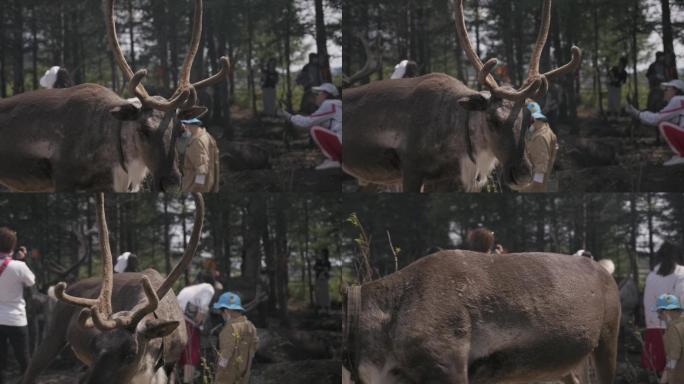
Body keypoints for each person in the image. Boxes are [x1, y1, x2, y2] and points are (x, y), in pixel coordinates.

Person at [642, 243, 684, 375]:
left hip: (654, 327)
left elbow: (647, 302)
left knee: (657, 371)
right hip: (677, 329)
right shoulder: (681, 273)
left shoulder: (652, 275)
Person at [278, 83, 342, 170]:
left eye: (318, 93)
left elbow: (307, 122)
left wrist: (289, 116)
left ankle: (334, 160)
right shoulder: (336, 105)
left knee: (315, 130)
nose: (315, 96)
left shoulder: (329, 105)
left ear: (325, 94)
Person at [0, 228, 35, 384]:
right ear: (13, 247)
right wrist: (20, 260)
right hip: (16, 319)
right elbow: (31, 281)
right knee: (24, 359)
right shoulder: (18, 266)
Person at [626, 79, 684, 166]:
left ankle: (681, 156)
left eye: (667, 89)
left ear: (675, 90)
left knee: (663, 125)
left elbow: (657, 119)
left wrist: (637, 113)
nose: (664, 92)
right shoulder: (680, 101)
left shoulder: (677, 100)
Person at [176, 276, 216, 384]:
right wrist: (201, 324)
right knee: (191, 353)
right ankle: (187, 381)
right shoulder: (209, 288)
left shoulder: (186, 289)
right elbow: (201, 312)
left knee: (180, 352)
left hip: (176, 320)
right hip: (189, 323)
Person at [213, 292, 258, 384]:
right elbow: (255, 347)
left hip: (227, 376)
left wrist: (219, 371)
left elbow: (226, 354)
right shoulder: (250, 326)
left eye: (221, 312)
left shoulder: (230, 328)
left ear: (226, 311)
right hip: (244, 375)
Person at [520, 100, 558, 192]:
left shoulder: (539, 138)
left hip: (536, 187)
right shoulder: (545, 128)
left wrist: (529, 188)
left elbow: (540, 170)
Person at [179, 118, 220, 192]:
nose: (183, 127)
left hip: (193, 186)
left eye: (185, 124)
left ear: (193, 125)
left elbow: (201, 168)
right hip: (208, 184)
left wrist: (197, 187)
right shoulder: (207, 136)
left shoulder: (196, 142)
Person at [656, 294, 684, 384]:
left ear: (665, 312)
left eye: (659, 314)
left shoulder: (673, 328)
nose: (659, 317)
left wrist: (663, 381)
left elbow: (673, 360)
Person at [313, 249, 332, 315]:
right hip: (319, 279)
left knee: (326, 294)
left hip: (325, 279)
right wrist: (322, 268)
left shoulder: (327, 262)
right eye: (321, 253)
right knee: (319, 294)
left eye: (323, 253)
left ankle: (328, 309)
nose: (322, 255)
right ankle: (321, 308)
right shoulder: (318, 261)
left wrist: (322, 269)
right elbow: (315, 268)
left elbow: (328, 269)